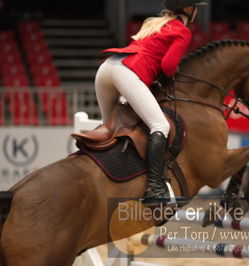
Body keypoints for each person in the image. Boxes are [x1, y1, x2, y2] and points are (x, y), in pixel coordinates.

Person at [95, 0, 207, 206]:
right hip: (127, 72)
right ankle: (154, 188)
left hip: (107, 68)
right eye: (197, 7)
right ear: (189, 9)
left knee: (109, 128)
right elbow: (168, 66)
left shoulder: (156, 23)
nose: (198, 11)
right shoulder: (182, 30)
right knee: (160, 126)